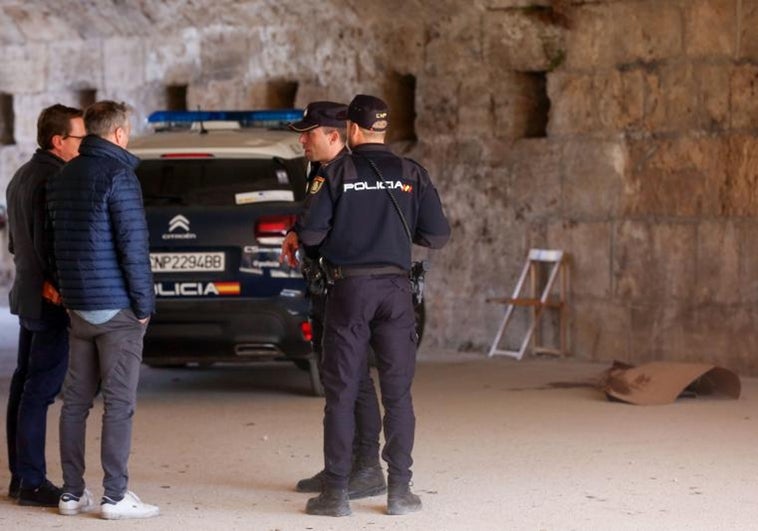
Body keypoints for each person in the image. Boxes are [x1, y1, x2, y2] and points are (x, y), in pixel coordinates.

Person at [282, 94, 451, 517]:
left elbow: (315, 235)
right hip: (396, 293)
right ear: (383, 128)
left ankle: (336, 494)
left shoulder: (336, 173)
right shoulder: (412, 172)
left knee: (341, 391)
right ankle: (399, 491)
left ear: (352, 131)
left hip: (349, 291)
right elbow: (437, 235)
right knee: (398, 394)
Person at [47, 100, 158, 519]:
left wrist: (69, 293)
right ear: (117, 134)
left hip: (78, 308)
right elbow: (133, 248)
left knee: (74, 402)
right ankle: (115, 496)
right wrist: (144, 306)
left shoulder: (63, 175)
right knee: (119, 403)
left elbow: (54, 245)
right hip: (118, 311)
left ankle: (72, 494)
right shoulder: (120, 175)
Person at [283, 101, 386, 500]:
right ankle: (339, 467)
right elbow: (313, 218)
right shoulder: (321, 171)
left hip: (348, 291)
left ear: (335, 135)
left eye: (308, 133)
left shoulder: (353, 173)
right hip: (325, 286)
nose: (302, 140)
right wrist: (297, 230)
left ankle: (366, 468)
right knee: (337, 381)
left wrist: (305, 235)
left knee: (355, 380)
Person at [5, 104, 85, 507]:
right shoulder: (55, 176)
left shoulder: (21, 174)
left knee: (24, 386)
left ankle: (21, 477)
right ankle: (33, 482)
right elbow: (46, 241)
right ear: (59, 141)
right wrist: (55, 283)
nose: (84, 145)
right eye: (80, 139)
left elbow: (16, 243)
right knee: (40, 389)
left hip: (27, 294)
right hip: (47, 297)